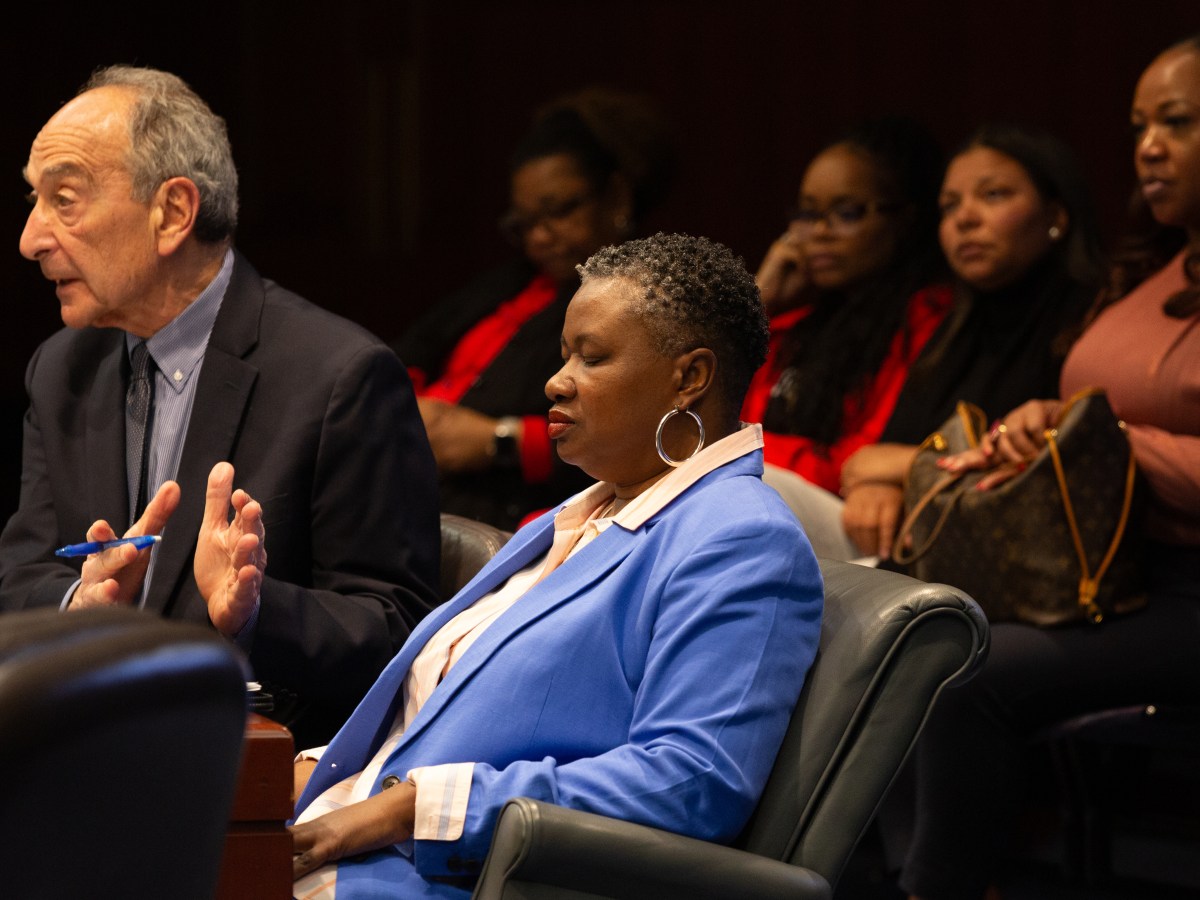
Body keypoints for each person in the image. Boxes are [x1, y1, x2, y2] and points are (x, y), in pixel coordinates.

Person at [290, 233, 824, 898]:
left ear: (689, 378)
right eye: (565, 353)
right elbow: (449, 718)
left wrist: (413, 808)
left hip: (452, 880)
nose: (556, 380)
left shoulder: (740, 536)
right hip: (350, 843)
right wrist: (301, 776)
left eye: (591, 358)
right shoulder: (577, 515)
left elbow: (693, 781)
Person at [0, 66, 441, 747]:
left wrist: (255, 612)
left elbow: (397, 631)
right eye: (34, 200)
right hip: (82, 742)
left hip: (248, 764)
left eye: (64, 200)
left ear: (173, 213)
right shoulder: (63, 368)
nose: (31, 239)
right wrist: (80, 601)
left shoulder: (339, 377)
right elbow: (21, 572)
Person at [895, 36, 1200, 900]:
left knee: (967, 674)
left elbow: (1115, 430)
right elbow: (1090, 411)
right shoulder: (1153, 272)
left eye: (1177, 123)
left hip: (1186, 589)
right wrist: (1040, 425)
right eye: (1139, 127)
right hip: (1111, 570)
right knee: (900, 630)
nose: (1148, 147)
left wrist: (1110, 440)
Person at [397, 88, 675, 530]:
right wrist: (401, 407)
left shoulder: (643, 300)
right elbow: (411, 351)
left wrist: (496, 441)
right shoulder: (509, 282)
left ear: (617, 197)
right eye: (525, 224)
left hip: (505, 510)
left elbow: (633, 436)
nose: (539, 238)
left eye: (559, 212)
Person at [839, 123, 1104, 559]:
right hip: (917, 546)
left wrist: (907, 471)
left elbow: (1044, 470)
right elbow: (864, 463)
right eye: (949, 205)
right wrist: (878, 486)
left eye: (993, 195)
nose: (964, 219)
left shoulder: (1095, 320)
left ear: (1057, 215)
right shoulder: (952, 331)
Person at [743, 117, 953, 498]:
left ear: (903, 220)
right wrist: (758, 301)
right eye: (808, 214)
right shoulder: (792, 324)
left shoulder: (925, 319)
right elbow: (710, 421)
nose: (820, 231)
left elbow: (860, 460)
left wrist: (740, 451)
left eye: (846, 212)